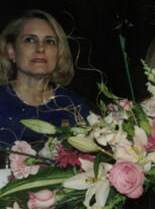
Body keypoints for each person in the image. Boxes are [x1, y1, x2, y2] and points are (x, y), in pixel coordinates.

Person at [0, 9, 90, 152]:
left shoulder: (75, 108)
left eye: (49, 41)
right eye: (30, 40)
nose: (41, 48)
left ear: (58, 53)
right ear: (12, 51)